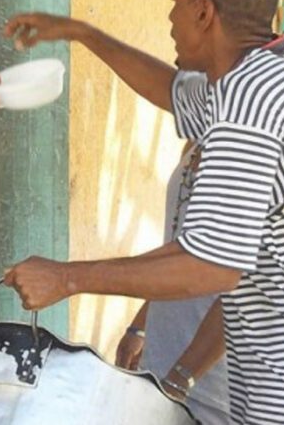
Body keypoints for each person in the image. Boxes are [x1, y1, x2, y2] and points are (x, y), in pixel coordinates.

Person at [3, 0, 284, 425]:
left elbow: (210, 267)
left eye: (176, 1)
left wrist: (66, 277)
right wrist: (83, 34)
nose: (170, 17)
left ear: (204, 12)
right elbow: (169, 89)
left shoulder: (250, 108)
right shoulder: (268, 78)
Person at [114, 142, 230, 423]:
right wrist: (140, 326)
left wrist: (181, 380)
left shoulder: (256, 148)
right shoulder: (196, 140)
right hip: (162, 363)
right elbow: (181, 253)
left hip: (216, 383)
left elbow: (249, 289)